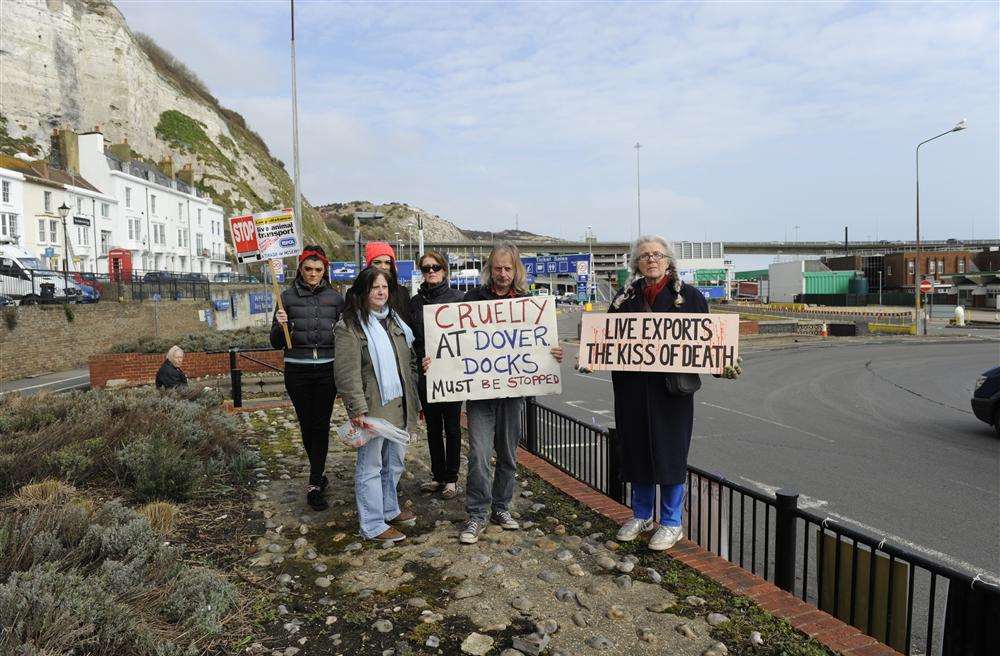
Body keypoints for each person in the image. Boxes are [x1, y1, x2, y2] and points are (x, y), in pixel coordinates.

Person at [603, 235, 741, 551]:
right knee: (636, 448)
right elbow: (606, 341)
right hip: (632, 390)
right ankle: (641, 514)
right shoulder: (623, 300)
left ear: (668, 260)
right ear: (635, 263)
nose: (651, 260)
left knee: (670, 452)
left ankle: (671, 521)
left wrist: (723, 364)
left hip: (670, 392)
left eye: (657, 255)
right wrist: (589, 357)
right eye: (644, 256)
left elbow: (707, 345)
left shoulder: (690, 297)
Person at [444, 244, 563, 544]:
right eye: (497, 268)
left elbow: (538, 345)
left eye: (508, 268)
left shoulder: (527, 304)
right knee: (479, 455)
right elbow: (451, 343)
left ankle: (501, 507)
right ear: (490, 268)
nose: (502, 273)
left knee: (509, 456)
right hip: (480, 397)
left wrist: (553, 354)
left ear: (516, 270)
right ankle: (476, 514)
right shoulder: (472, 300)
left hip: (513, 395)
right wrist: (437, 360)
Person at [334, 266, 420, 542]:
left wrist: (415, 398)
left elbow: (409, 364)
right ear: (363, 291)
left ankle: (388, 508)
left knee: (394, 462)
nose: (381, 292)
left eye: (384, 287)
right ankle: (371, 524)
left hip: (399, 406)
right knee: (370, 466)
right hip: (372, 408)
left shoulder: (396, 321)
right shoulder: (349, 326)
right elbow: (346, 373)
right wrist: (356, 408)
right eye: (375, 288)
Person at [271, 245, 344, 511]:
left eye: (318, 270)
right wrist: (283, 325)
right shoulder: (286, 298)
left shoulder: (336, 299)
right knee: (306, 424)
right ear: (300, 269)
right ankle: (318, 471)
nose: (313, 274)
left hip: (327, 369)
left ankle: (315, 481)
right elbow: (275, 342)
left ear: (324, 271)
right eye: (308, 269)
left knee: (321, 424)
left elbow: (346, 336)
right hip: (297, 369)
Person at [409, 250, 464, 499]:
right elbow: (412, 341)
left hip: (452, 373)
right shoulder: (415, 303)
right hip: (427, 372)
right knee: (432, 428)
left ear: (444, 271)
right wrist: (420, 359)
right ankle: (438, 475)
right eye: (426, 269)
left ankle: (451, 478)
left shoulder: (459, 299)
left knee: (452, 427)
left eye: (435, 268)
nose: (430, 272)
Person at [364, 241, 411, 318]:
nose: (383, 267)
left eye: (387, 263)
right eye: (377, 262)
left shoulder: (402, 293)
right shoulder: (356, 293)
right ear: (369, 265)